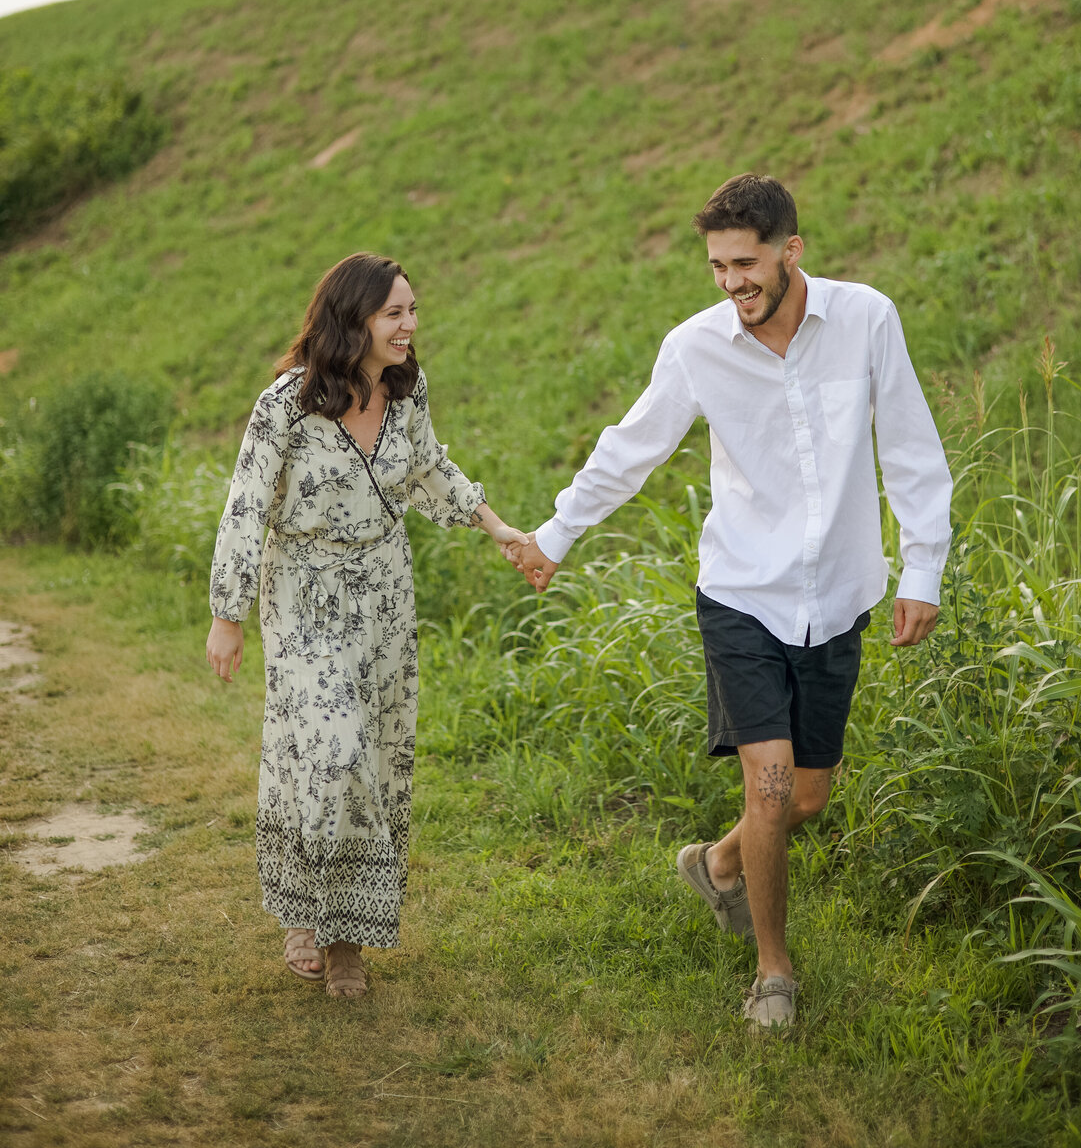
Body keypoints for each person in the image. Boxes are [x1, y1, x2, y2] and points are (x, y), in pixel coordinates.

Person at [509, 174, 951, 1032]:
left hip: (842, 593)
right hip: (743, 592)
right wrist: (555, 536)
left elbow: (909, 444)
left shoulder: (866, 319)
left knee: (805, 798)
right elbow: (629, 448)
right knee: (775, 788)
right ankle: (774, 975)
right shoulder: (696, 346)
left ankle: (715, 865)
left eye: (745, 263)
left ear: (792, 251)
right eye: (717, 267)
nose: (731, 283)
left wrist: (921, 570)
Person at [205, 253, 526, 999]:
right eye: (395, 313)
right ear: (354, 321)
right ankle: (303, 912)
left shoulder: (407, 396)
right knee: (331, 752)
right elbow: (246, 508)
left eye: (412, 310)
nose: (410, 326)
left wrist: (499, 528)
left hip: (385, 596)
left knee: (374, 760)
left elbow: (431, 471)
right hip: (303, 596)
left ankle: (346, 937)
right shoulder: (284, 404)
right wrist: (228, 614)